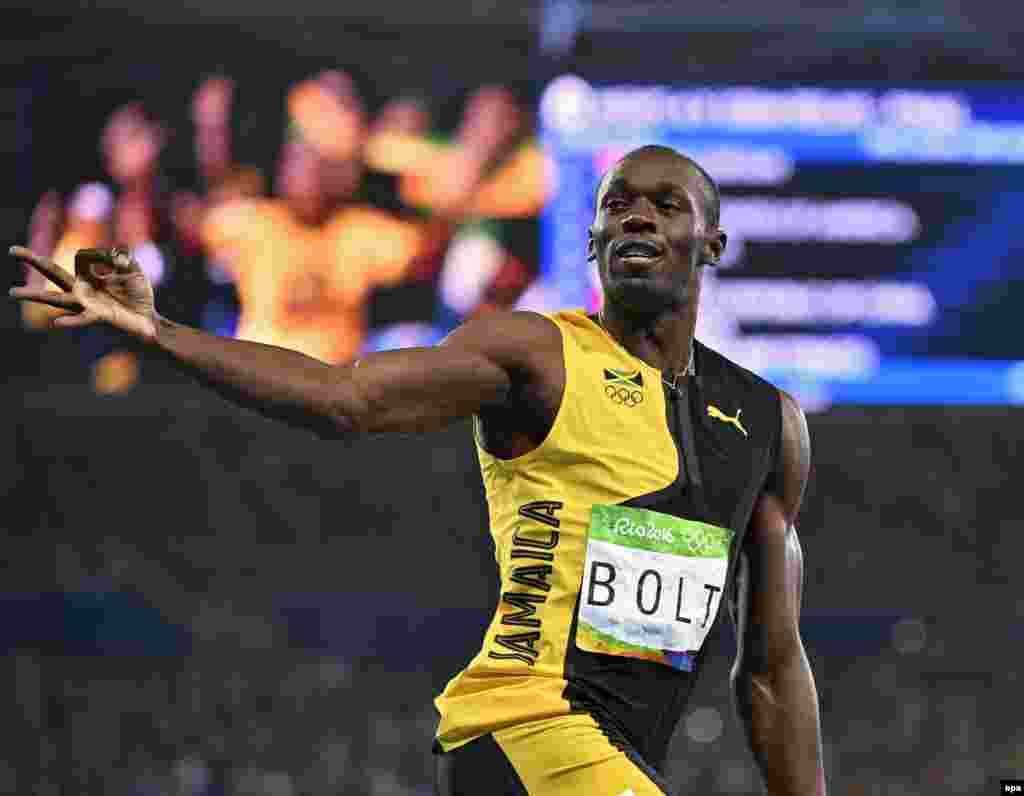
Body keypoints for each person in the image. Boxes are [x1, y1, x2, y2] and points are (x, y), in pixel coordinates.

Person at [9, 144, 825, 795]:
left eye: (666, 205)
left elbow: (773, 664)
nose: (637, 218)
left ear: (711, 243)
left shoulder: (765, 422)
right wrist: (158, 331)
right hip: (525, 727)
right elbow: (345, 398)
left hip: (620, 761)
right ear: (593, 241)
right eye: (617, 205)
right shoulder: (534, 353)